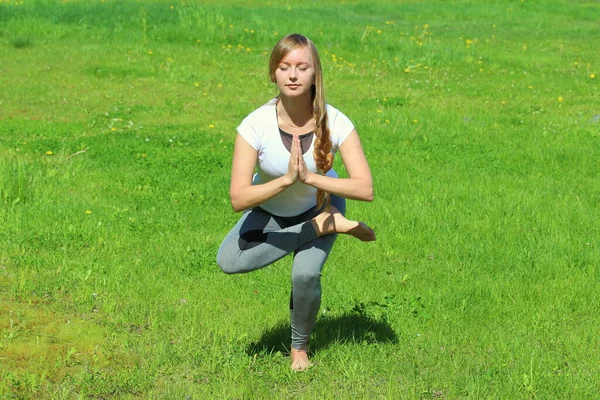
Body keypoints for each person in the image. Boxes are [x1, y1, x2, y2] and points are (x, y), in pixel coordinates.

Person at [216, 33, 376, 371]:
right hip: (271, 212)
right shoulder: (254, 125)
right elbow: (238, 198)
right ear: (273, 73)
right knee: (229, 260)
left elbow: (365, 189)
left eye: (302, 67)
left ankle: (299, 348)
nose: (292, 75)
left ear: (315, 73)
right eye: (284, 67)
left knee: (305, 275)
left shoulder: (336, 122)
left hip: (321, 205)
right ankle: (321, 228)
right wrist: (286, 181)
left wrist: (310, 178)